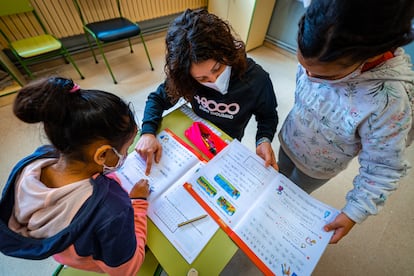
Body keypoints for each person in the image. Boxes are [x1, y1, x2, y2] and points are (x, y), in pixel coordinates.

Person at [278, 0, 414, 244]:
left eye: (324, 76)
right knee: (278, 180)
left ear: (368, 56)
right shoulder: (327, 18)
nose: (310, 78)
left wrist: (354, 212)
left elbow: (384, 167)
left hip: (318, 168)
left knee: (293, 195)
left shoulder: (389, 100)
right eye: (303, 66)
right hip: (290, 139)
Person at [0, 77, 150, 275]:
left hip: (62, 249)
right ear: (103, 155)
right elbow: (126, 270)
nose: (127, 153)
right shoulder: (113, 207)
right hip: (97, 258)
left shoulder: (32, 163)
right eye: (126, 147)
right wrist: (138, 203)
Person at [136, 8, 279, 175]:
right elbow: (157, 99)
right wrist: (147, 132)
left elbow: (268, 115)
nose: (213, 80)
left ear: (227, 52)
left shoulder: (256, 79)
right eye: (202, 78)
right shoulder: (185, 77)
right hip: (195, 136)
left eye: (217, 68)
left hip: (228, 141)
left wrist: (263, 139)